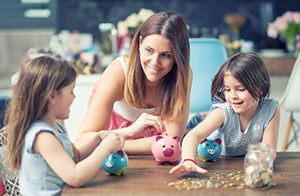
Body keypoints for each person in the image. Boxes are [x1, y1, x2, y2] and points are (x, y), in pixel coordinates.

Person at [4, 55, 125, 195]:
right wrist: (105, 148)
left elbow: (75, 156)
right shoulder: (42, 137)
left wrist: (98, 138)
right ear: (52, 97)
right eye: (71, 91)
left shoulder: (56, 127)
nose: (74, 97)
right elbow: (75, 177)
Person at [76, 11, 192, 154]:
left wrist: (110, 144)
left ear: (178, 57)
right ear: (139, 43)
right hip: (109, 161)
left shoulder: (182, 75)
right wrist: (129, 134)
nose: (155, 62)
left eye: (166, 55)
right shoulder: (119, 71)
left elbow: (172, 140)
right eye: (149, 50)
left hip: (151, 162)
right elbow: (83, 140)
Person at [169, 52, 280, 174]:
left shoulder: (271, 108)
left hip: (242, 165)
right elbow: (193, 136)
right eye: (227, 89)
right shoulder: (223, 112)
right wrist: (188, 160)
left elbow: (269, 149)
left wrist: (258, 168)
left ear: (260, 89)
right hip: (216, 162)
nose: (232, 96)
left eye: (241, 89)